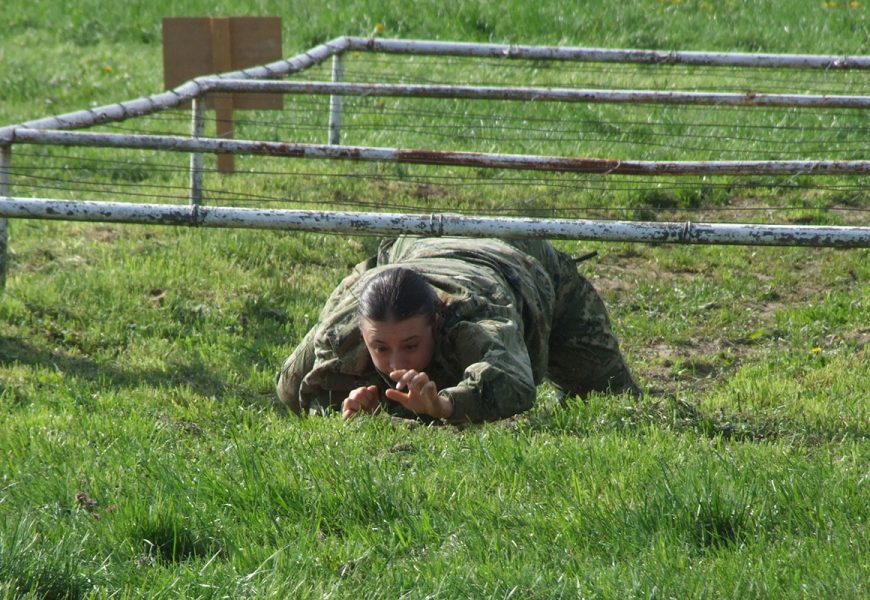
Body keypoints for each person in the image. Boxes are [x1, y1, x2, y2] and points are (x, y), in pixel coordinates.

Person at [276, 236, 640, 423]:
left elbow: (514, 381)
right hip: (419, 246)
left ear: (437, 321)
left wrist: (445, 404)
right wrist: (348, 403)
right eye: (381, 348)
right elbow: (297, 389)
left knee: (610, 396)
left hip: (516, 259)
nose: (396, 362)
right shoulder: (344, 324)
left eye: (411, 344)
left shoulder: (474, 317)